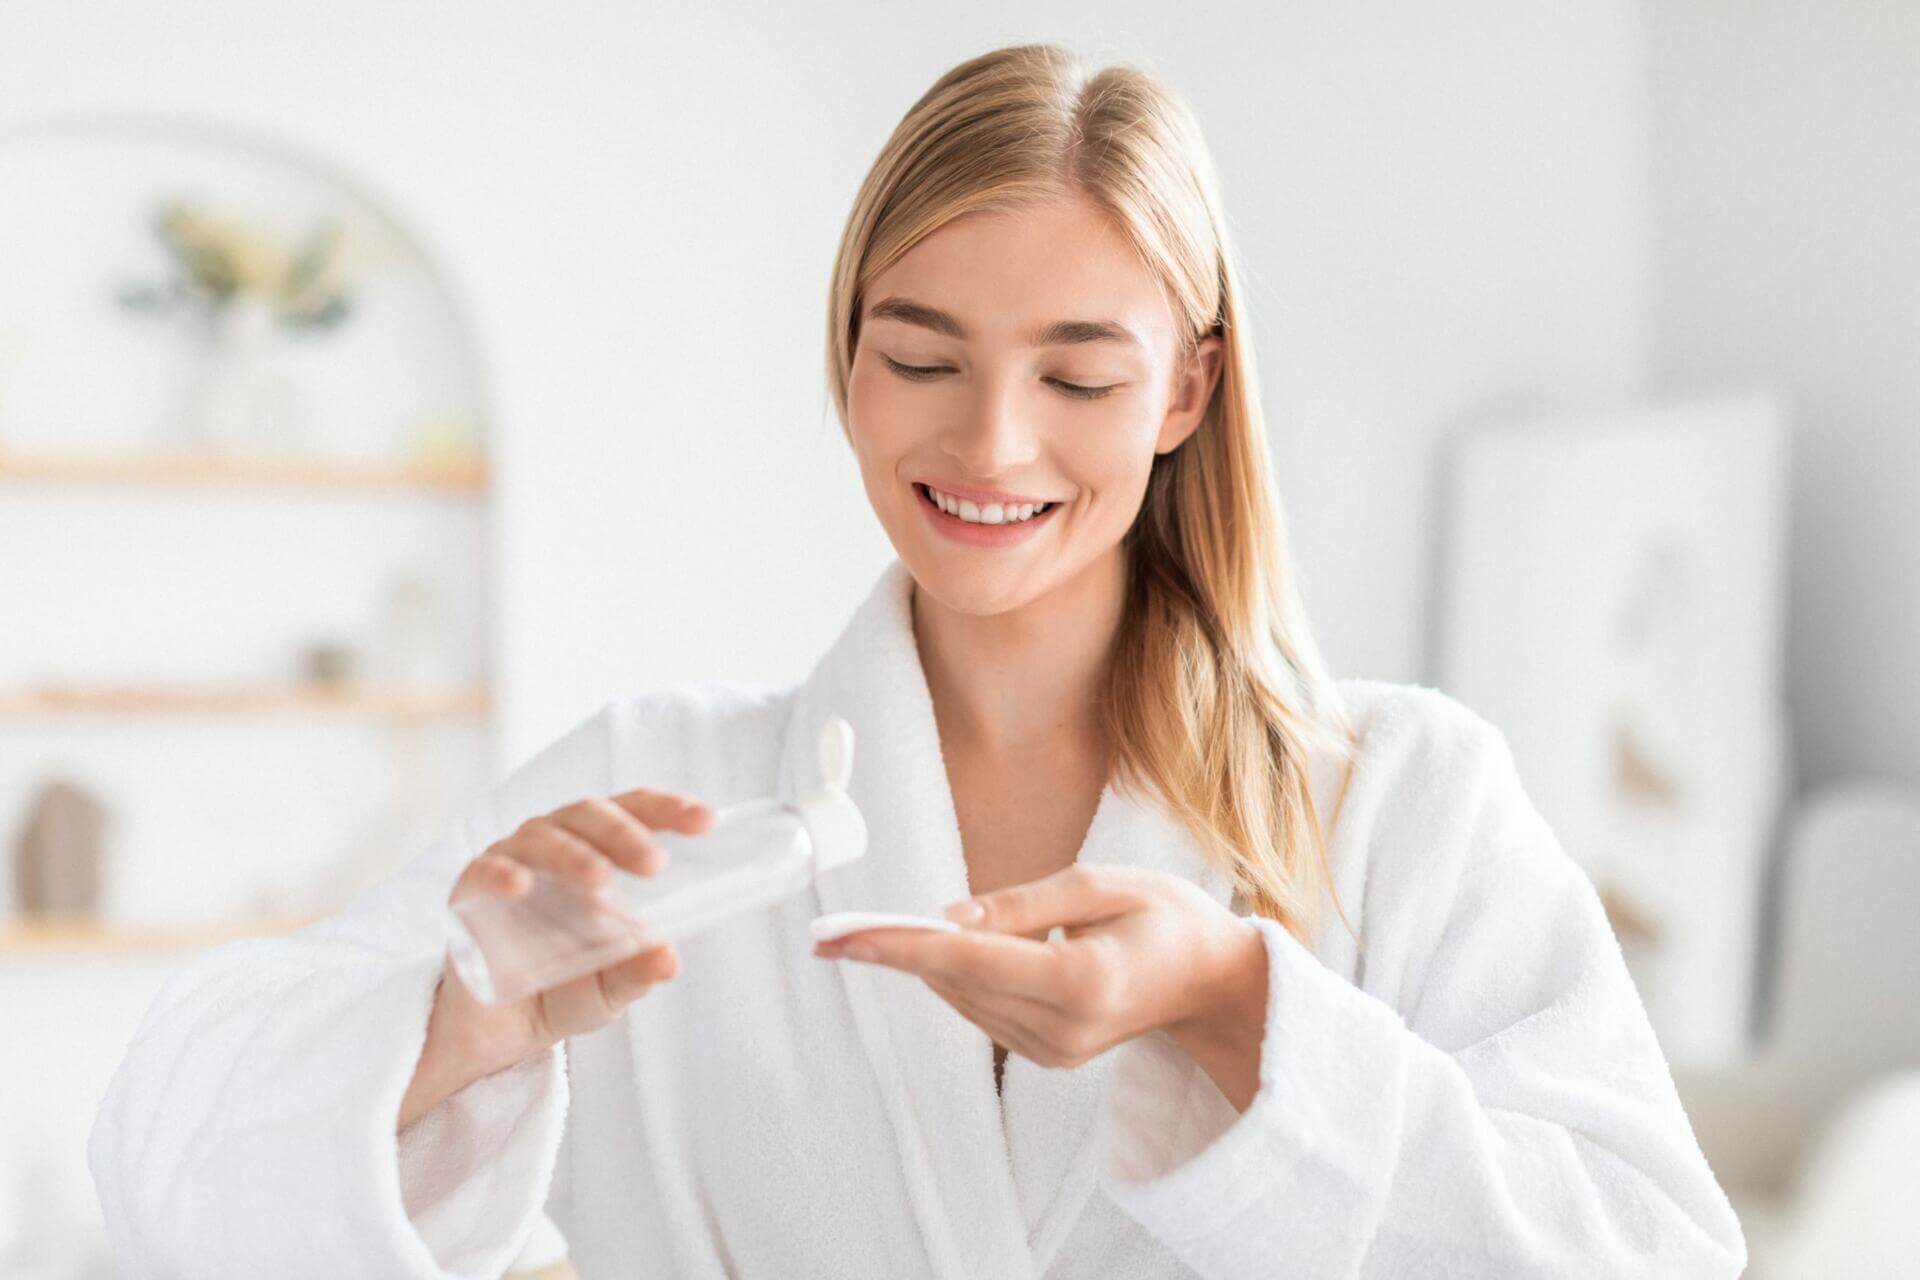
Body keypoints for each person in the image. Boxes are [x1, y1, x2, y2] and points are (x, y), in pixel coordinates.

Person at [88, 41, 1747, 1279]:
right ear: (849, 358)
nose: (993, 441)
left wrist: (1238, 1012)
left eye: (1081, 378)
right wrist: (468, 1010)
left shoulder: (1403, 799)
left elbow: (1653, 1251)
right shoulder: (651, 795)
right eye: (923, 356)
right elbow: (165, 1154)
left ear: (1185, 394)